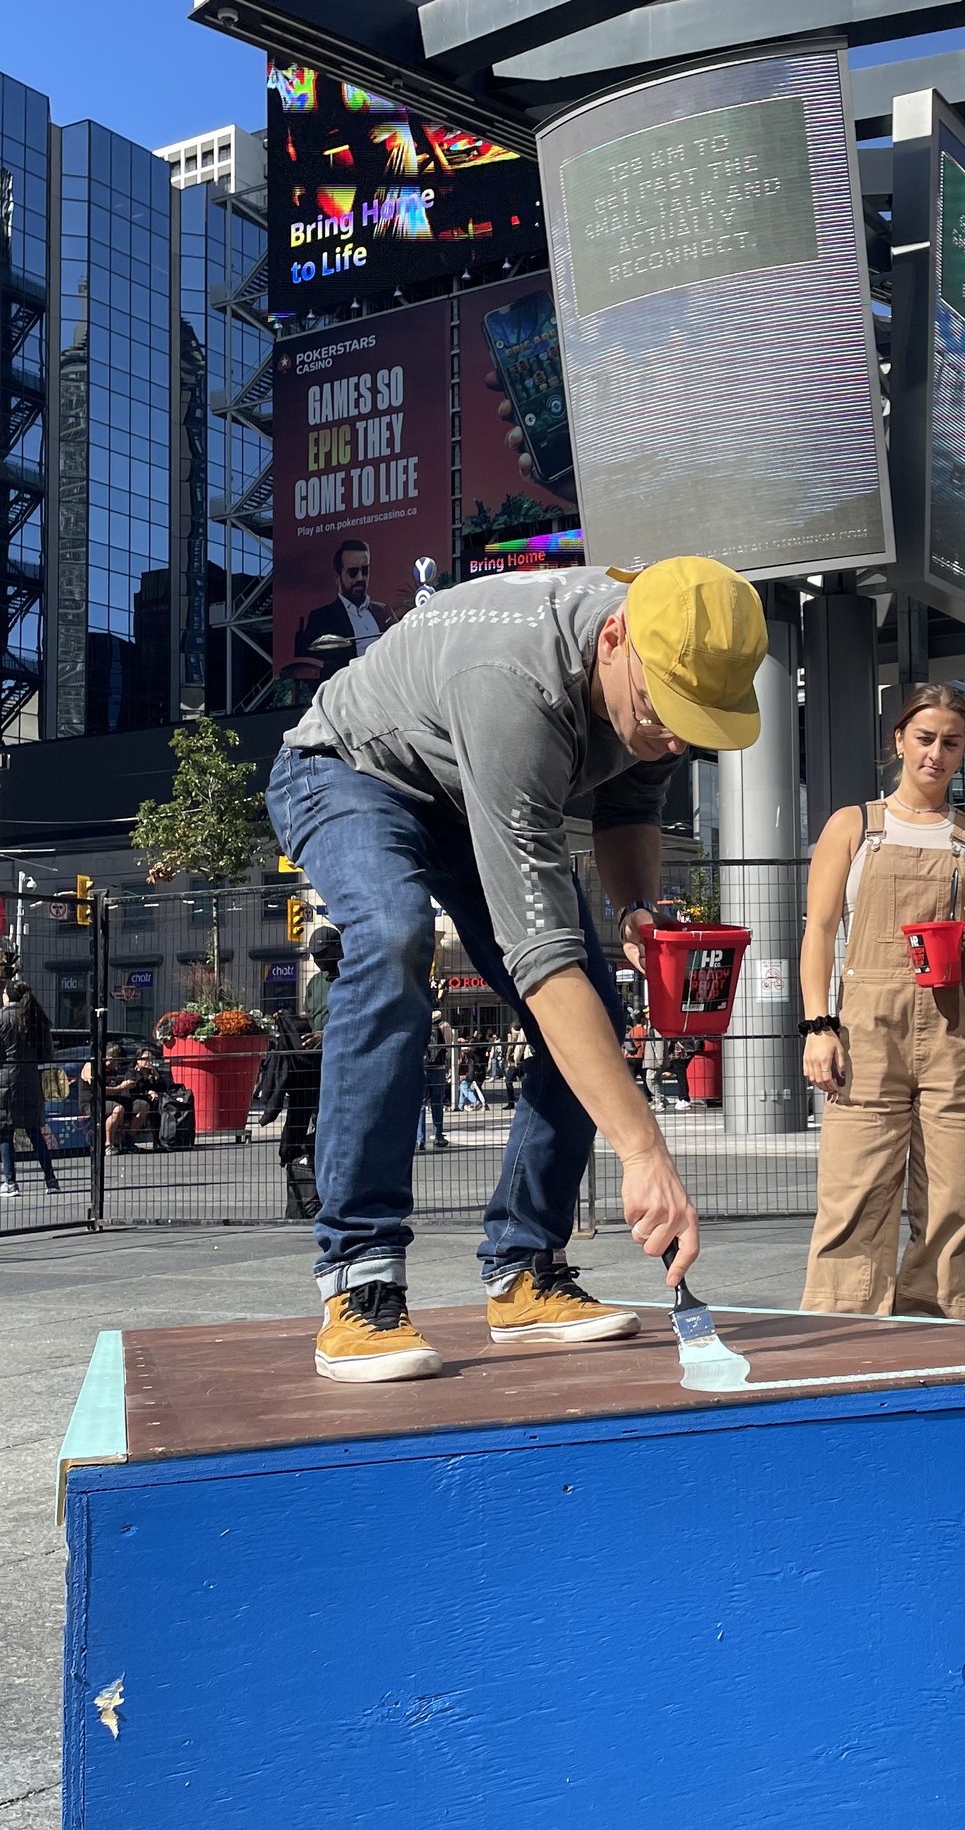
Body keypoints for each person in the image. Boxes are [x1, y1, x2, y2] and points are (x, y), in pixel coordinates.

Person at [266, 557, 765, 1381]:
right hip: (348, 768)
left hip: (468, 793)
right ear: (615, 639)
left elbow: (631, 809)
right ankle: (359, 1281)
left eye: (695, 722)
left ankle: (525, 1269)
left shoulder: (671, 665)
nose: (673, 738)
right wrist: (643, 1151)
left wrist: (638, 910)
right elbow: (542, 963)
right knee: (393, 940)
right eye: (664, 712)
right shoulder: (516, 684)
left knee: (592, 1021)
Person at [797, 683, 965, 1320]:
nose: (936, 754)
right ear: (899, 741)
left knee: (956, 1197)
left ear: (964, 751)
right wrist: (818, 1025)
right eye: (925, 739)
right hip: (867, 1027)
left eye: (952, 743)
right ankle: (839, 1338)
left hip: (960, 1029)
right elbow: (819, 930)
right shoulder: (854, 826)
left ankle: (938, 1332)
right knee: (853, 1193)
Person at [0, 979, 60, 1198]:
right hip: (31, 1081)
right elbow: (48, 1053)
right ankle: (51, 1180)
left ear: (7, 995)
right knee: (35, 1132)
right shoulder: (36, 1019)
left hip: (3, 1083)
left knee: (5, 1133)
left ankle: (10, 1182)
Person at [254, 1013, 324, 1221]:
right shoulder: (316, 986)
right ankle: (311, 1202)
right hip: (312, 1064)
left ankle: (310, 1203)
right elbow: (309, 1013)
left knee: (313, 1139)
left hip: (320, 1062)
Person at [290, 537, 384, 681]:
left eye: (365, 571)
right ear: (337, 577)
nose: (360, 578)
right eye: (353, 572)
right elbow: (307, 667)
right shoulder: (322, 618)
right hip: (349, 693)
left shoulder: (383, 612)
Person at [418, 1009, 456, 1148]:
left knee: (421, 1104)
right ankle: (438, 1136)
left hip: (422, 1067)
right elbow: (448, 1045)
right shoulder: (444, 1025)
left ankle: (420, 1139)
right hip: (438, 1068)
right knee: (437, 1103)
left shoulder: (420, 1023)